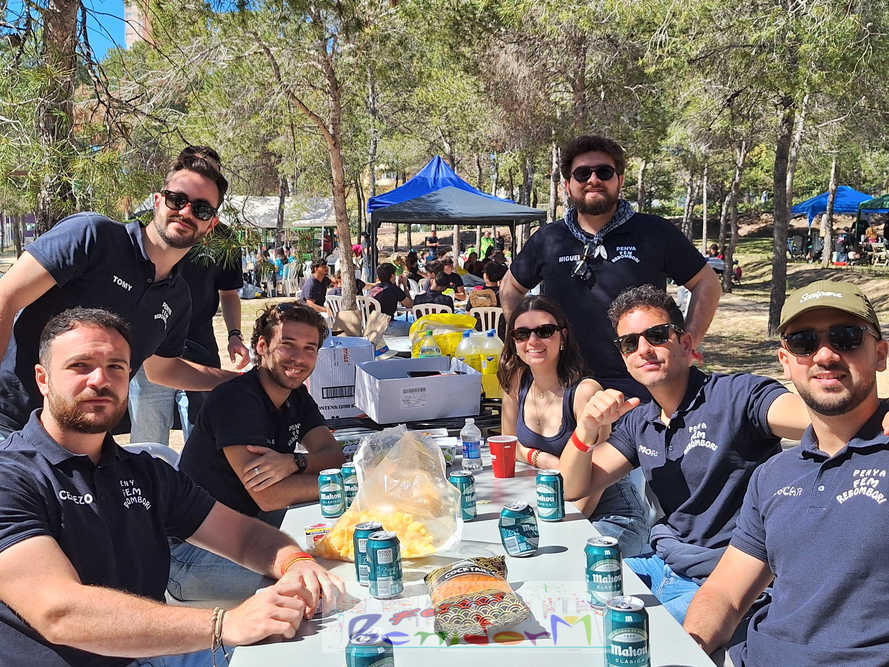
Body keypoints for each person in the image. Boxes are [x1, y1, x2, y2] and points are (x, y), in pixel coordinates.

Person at [0, 307, 343, 666]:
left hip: (153, 653)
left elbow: (243, 537)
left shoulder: (144, 472)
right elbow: (60, 613)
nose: (100, 380)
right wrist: (224, 625)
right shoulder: (12, 476)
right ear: (43, 379)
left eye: (116, 367)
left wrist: (296, 562)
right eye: (80, 366)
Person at [559, 284, 824, 623]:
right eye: (630, 343)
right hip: (662, 564)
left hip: (722, 582)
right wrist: (585, 430)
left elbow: (818, 420)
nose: (644, 350)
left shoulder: (736, 397)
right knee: (569, 599)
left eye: (657, 336)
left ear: (685, 343)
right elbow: (573, 488)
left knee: (615, 632)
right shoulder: (640, 421)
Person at [684, 281, 889, 666]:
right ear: (785, 360)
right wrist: (686, 650)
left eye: (846, 337)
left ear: (880, 354)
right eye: (803, 342)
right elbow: (725, 594)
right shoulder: (773, 474)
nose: (824, 355)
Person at [0, 145, 238, 437]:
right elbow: (5, 296)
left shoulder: (177, 298)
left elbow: (162, 370)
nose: (185, 212)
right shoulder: (93, 236)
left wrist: (234, 379)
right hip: (10, 422)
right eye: (177, 200)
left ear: (211, 224)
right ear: (157, 201)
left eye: (201, 209)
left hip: (82, 439)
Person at [500, 135, 721, 398]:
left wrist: (689, 340)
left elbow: (707, 283)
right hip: (564, 387)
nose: (593, 180)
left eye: (604, 172)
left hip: (640, 389)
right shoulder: (548, 239)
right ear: (567, 186)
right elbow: (510, 287)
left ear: (620, 180)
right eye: (582, 174)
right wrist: (524, 342)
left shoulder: (655, 232)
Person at [171, 302, 345, 602]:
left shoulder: (295, 395)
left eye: (310, 348)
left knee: (345, 545)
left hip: (253, 532)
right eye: (288, 345)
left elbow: (333, 454)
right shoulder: (237, 400)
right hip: (192, 554)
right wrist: (342, 484)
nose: (299, 358)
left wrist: (295, 462)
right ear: (262, 347)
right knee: (317, 585)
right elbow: (269, 496)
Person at [499, 296, 648, 556]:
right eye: (522, 334)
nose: (532, 341)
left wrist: (554, 531)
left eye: (544, 331)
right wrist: (544, 459)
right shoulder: (517, 380)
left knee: (564, 563)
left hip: (610, 514)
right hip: (552, 505)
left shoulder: (584, 392)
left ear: (563, 337)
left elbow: (591, 491)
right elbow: (507, 445)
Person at [129, 243, 251, 445]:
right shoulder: (148, 233)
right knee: (148, 441)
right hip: (151, 350)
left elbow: (229, 293)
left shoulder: (223, 239)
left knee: (202, 438)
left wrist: (234, 334)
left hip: (200, 350)